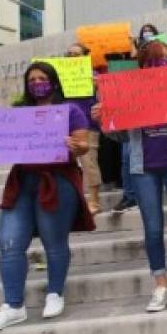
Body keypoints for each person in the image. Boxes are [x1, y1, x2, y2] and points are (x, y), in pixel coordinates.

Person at [0, 62, 94, 332]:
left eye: (43, 78)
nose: (37, 83)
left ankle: (55, 292)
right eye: (32, 79)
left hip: (58, 180)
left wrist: (76, 146)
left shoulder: (71, 111)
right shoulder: (19, 113)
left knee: (54, 241)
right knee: (9, 242)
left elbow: (84, 145)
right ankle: (13, 305)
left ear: (53, 82)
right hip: (21, 182)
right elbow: (2, 143)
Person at [94, 42, 167, 312]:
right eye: (154, 61)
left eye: (165, 60)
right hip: (143, 166)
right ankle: (160, 284)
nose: (159, 66)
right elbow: (119, 136)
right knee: (152, 229)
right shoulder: (130, 90)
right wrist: (104, 119)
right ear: (142, 66)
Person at [65, 43, 102, 215]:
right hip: (64, 125)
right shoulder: (60, 76)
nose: (72, 57)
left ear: (85, 57)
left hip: (88, 124)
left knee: (89, 163)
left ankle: (94, 200)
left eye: (76, 54)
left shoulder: (94, 76)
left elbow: (105, 101)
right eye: (69, 54)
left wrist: (99, 87)